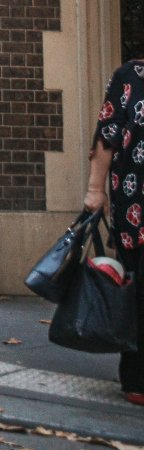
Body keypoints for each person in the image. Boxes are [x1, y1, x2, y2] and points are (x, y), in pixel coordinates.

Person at [85, 57, 144, 403]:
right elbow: (107, 135)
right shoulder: (130, 77)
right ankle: (137, 378)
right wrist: (96, 189)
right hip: (135, 208)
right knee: (139, 294)